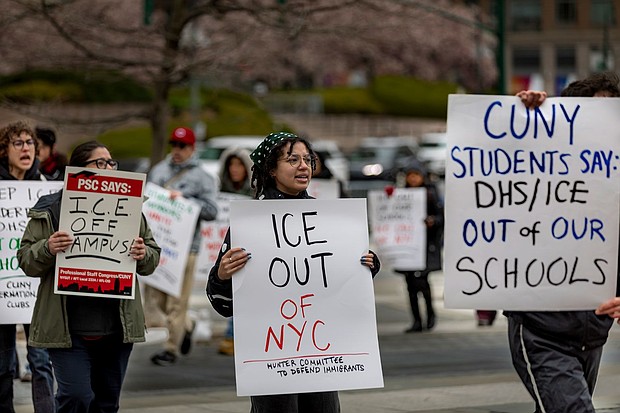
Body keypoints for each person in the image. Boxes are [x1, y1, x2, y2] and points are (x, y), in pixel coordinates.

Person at [206, 131, 381, 413]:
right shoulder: (250, 223)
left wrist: (366, 265)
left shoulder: (329, 219)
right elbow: (221, 303)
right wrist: (223, 275)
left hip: (321, 356)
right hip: (271, 357)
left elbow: (343, 289)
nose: (303, 166)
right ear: (271, 170)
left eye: (307, 159)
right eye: (292, 160)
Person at [504, 72, 620, 413]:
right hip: (541, 332)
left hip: (593, 332)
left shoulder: (613, 181)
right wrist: (524, 116)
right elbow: (496, 163)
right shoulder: (537, 166)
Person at [17, 140, 161, 413]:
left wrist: (144, 254)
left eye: (111, 163)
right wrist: (47, 248)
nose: (108, 168)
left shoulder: (129, 207)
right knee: (76, 397)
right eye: (100, 163)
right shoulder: (50, 209)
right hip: (67, 329)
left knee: (107, 403)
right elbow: (26, 260)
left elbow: (151, 259)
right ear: (78, 170)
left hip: (116, 330)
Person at [145, 126, 219, 366]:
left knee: (178, 301)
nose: (177, 150)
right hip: (159, 245)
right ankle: (188, 325)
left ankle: (171, 348)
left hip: (186, 247)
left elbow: (211, 211)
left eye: (182, 146)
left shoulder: (202, 177)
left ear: (192, 148)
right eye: (174, 145)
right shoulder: (158, 171)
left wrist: (186, 201)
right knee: (161, 301)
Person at [0, 121, 55, 413]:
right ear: (4, 150)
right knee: (2, 363)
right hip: (3, 291)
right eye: (17, 143)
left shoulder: (47, 190)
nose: (26, 149)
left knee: (41, 362)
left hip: (36, 290)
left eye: (30, 143)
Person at [393, 160, 443, 333]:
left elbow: (441, 217)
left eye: (416, 175)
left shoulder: (430, 194)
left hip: (424, 247)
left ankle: (430, 315)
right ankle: (416, 320)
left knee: (422, 283)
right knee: (410, 285)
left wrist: (432, 221)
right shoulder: (400, 194)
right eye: (410, 176)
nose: (413, 179)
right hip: (407, 246)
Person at [216, 146, 254, 356]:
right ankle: (231, 335)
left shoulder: (256, 194)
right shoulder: (220, 192)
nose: (235, 169)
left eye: (239, 164)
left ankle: (233, 335)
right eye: (232, 164)